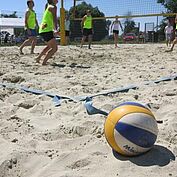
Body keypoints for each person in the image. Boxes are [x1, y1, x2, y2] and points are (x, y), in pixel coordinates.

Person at [35, 0, 59, 65]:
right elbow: (54, 19)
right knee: (54, 48)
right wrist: (56, 29)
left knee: (49, 46)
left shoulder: (48, 6)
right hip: (46, 30)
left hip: (43, 30)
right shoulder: (53, 7)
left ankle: (38, 58)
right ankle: (44, 62)